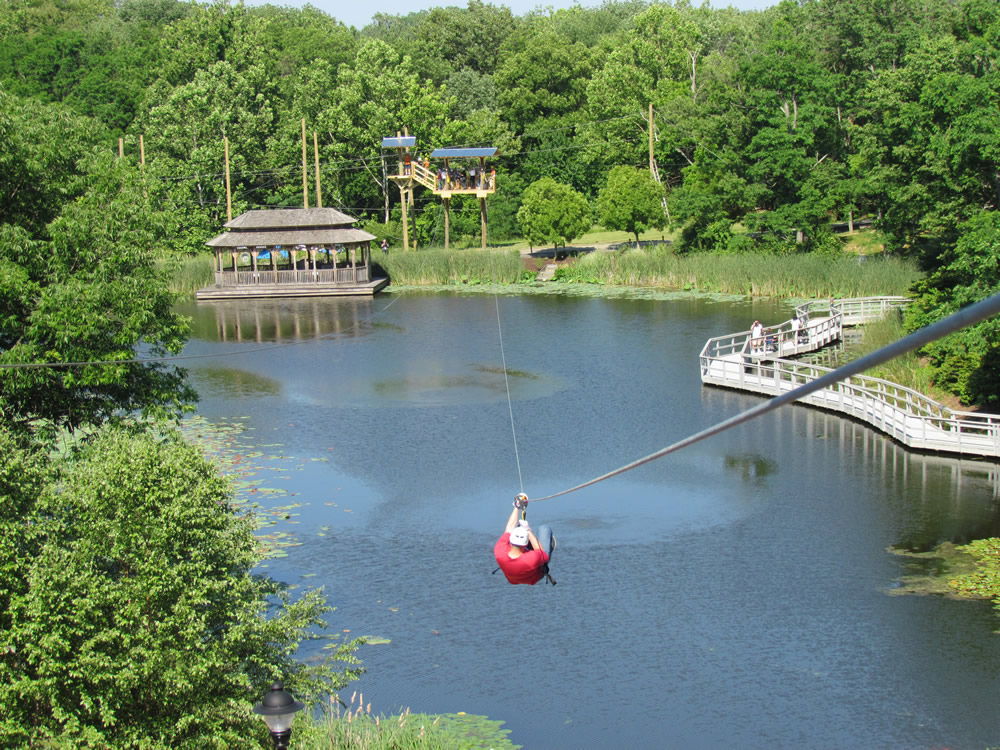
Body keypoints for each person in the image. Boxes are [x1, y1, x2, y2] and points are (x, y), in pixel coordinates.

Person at [494, 493, 555, 585]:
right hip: (535, 575)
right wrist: (528, 530)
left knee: (518, 526)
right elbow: (541, 553)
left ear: (511, 540)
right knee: (544, 529)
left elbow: (509, 528)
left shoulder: (499, 551)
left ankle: (524, 532)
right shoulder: (531, 559)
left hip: (514, 578)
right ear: (525, 545)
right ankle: (550, 545)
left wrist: (517, 506)